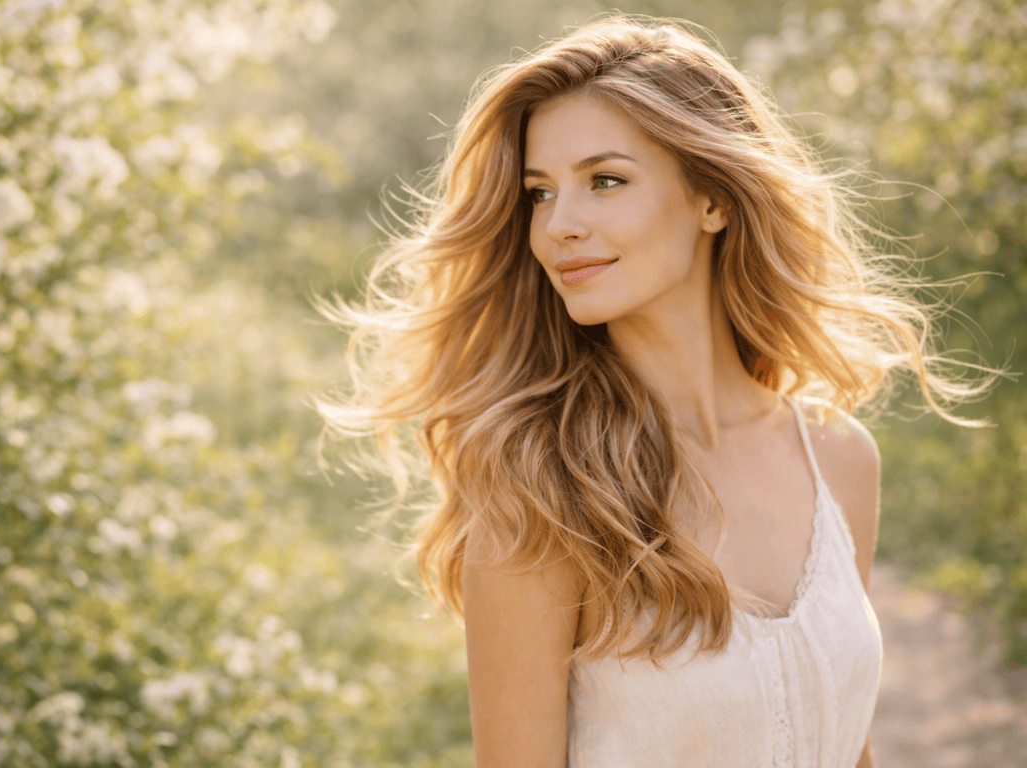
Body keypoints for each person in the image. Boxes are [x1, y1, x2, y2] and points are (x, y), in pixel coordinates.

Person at [318, 14, 993, 768]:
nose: (560, 226)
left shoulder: (838, 458)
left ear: (714, 200)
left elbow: (843, 740)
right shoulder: (540, 493)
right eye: (540, 193)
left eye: (605, 181)